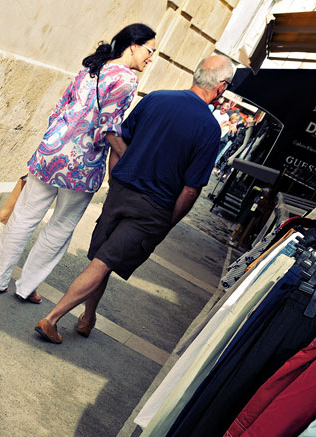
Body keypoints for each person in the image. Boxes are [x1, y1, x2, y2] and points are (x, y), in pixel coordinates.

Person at [34, 54, 234, 344]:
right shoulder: (209, 128)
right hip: (153, 208)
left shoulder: (155, 99)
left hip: (121, 192)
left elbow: (118, 139)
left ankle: (88, 317)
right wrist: (167, 223)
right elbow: (191, 189)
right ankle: (51, 320)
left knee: (103, 257)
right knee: (103, 262)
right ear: (221, 87)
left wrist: (115, 178)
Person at [0, 23, 157, 304]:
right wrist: (127, 158)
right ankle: (26, 287)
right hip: (81, 165)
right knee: (60, 226)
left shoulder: (91, 68)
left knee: (25, 215)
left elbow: (60, 107)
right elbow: (107, 129)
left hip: (51, 152)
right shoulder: (126, 80)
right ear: (133, 46)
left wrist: (56, 138)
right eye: (150, 50)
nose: (151, 57)